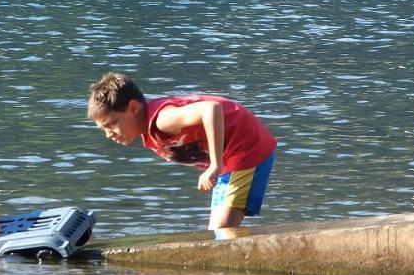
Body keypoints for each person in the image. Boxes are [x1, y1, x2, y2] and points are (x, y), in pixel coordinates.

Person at [87, 72, 277, 233]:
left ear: (134, 107)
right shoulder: (150, 130)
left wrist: (215, 165)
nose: (108, 134)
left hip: (246, 148)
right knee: (216, 234)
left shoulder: (163, 119)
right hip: (232, 158)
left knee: (220, 233)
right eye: (103, 129)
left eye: (112, 124)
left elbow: (211, 108)